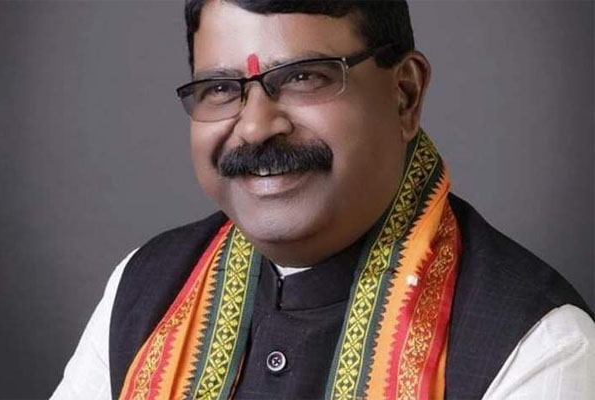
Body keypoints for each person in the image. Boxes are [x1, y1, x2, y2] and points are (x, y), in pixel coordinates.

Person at [51, 1, 594, 399]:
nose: (256, 126)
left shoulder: (538, 345)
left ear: (404, 95)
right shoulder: (142, 290)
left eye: (303, 77)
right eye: (220, 88)